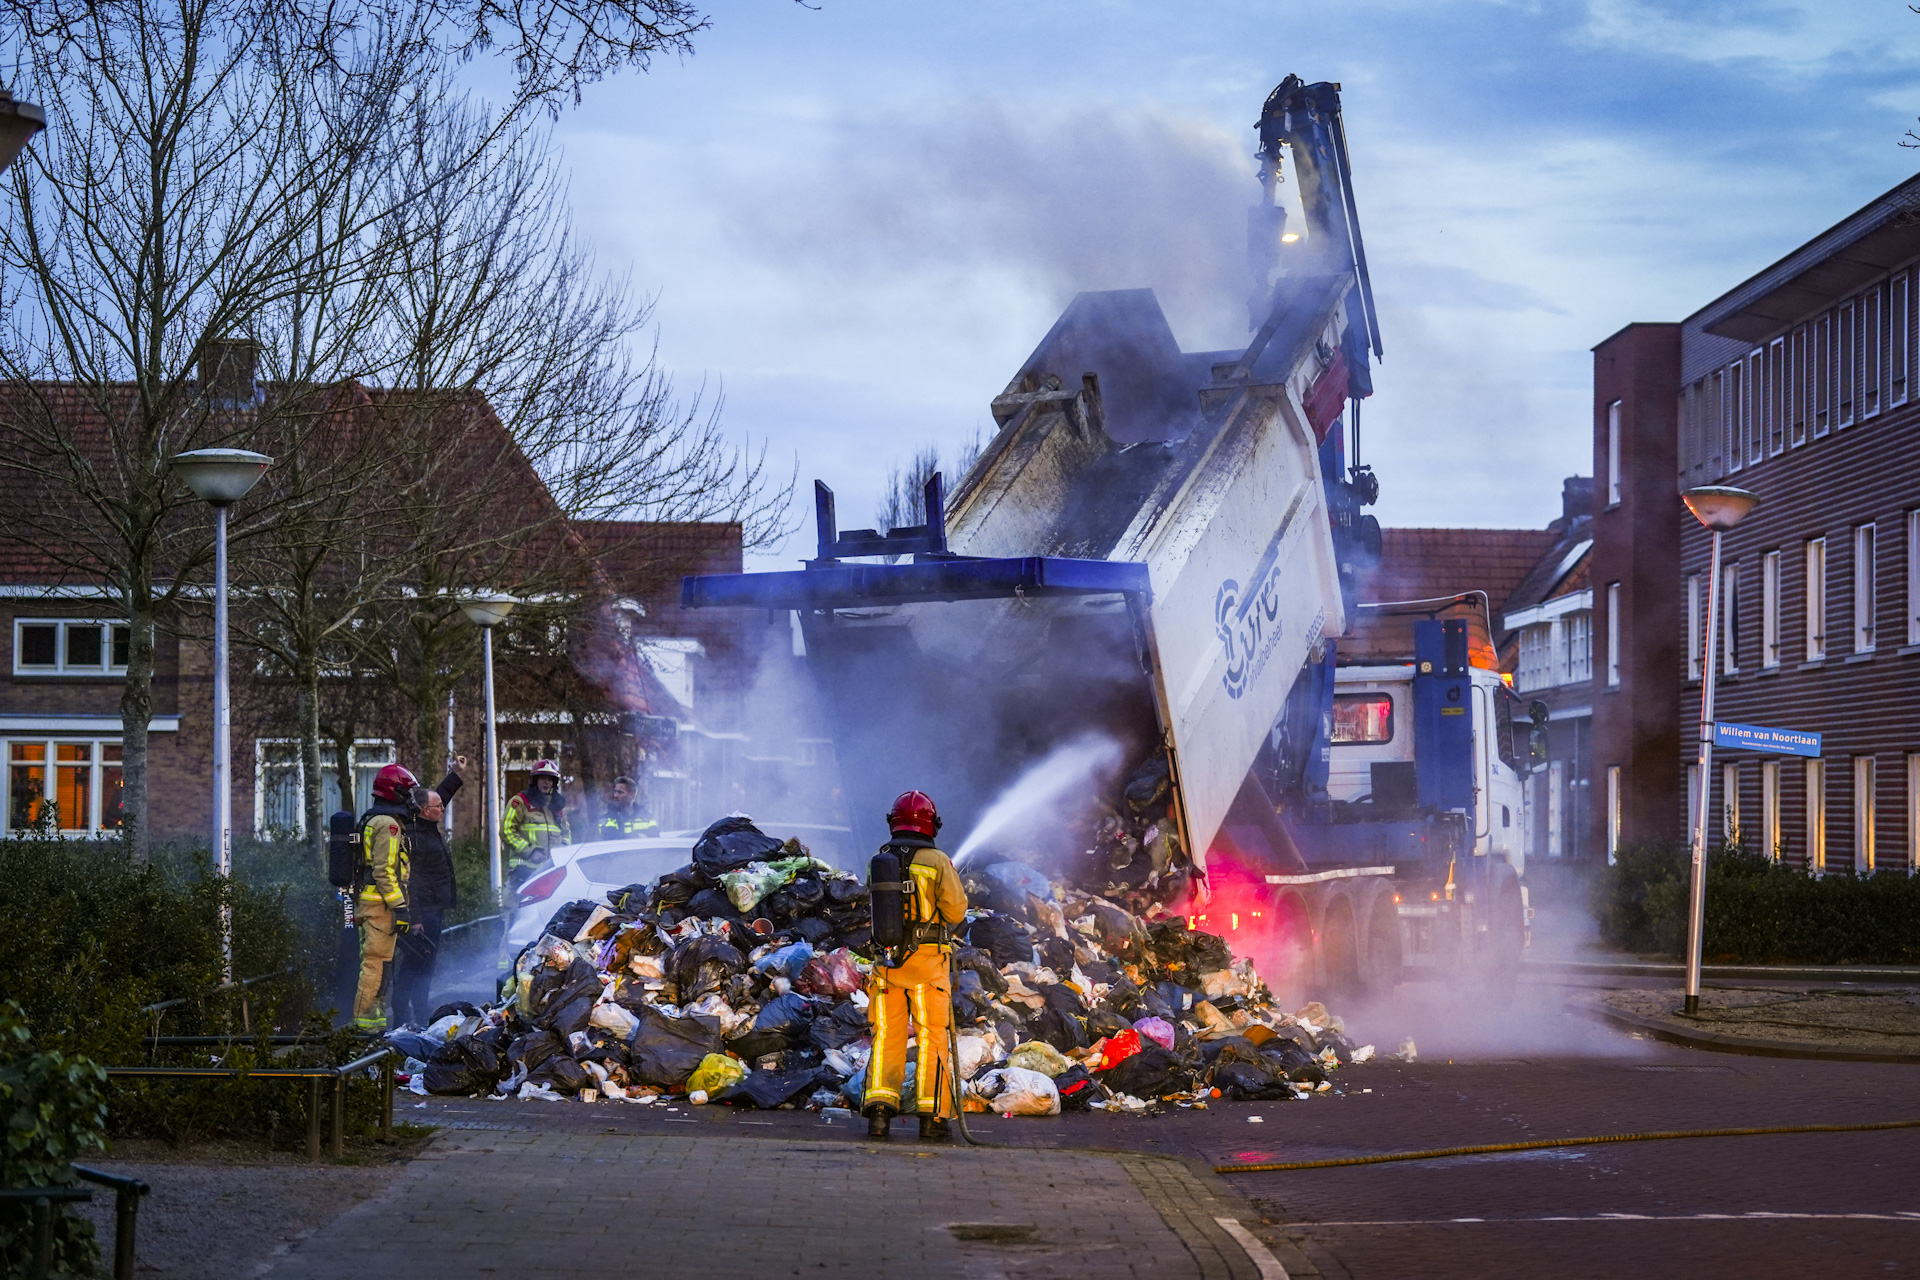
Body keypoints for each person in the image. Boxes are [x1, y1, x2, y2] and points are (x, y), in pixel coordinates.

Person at [862, 789, 967, 1142]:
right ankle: (932, 1118)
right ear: (931, 824)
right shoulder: (937, 861)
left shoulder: (880, 859)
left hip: (886, 966)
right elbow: (955, 911)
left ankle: (879, 1114)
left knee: (887, 1037)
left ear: (893, 822)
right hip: (927, 965)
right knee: (931, 1038)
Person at [392, 755, 467, 1027]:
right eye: (438, 807)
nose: (443, 809)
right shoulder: (416, 838)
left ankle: (420, 1012)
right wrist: (416, 918)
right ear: (425, 811)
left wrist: (455, 774)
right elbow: (413, 882)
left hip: (435, 909)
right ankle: (404, 1015)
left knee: (426, 964)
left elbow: (439, 796)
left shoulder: (424, 824)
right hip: (425, 913)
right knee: (415, 965)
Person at [354, 763, 421, 1031]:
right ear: (394, 792)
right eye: (407, 792)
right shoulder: (388, 825)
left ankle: (375, 1027)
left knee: (380, 966)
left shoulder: (380, 819)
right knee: (376, 966)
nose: (411, 799)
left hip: (374, 905)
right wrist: (400, 908)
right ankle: (363, 1030)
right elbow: (385, 871)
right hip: (379, 906)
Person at [503, 758, 571, 886]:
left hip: (551, 871)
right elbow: (506, 830)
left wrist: (562, 851)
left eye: (550, 779)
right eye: (542, 778)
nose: (546, 782)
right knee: (514, 905)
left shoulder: (556, 807)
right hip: (522, 871)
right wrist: (530, 851)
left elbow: (566, 834)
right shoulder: (520, 802)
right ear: (535, 781)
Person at [597, 775, 658, 839]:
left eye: (620, 792)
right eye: (615, 791)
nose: (615, 795)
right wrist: (638, 837)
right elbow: (610, 838)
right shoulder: (607, 818)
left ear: (632, 795)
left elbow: (655, 839)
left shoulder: (646, 817)